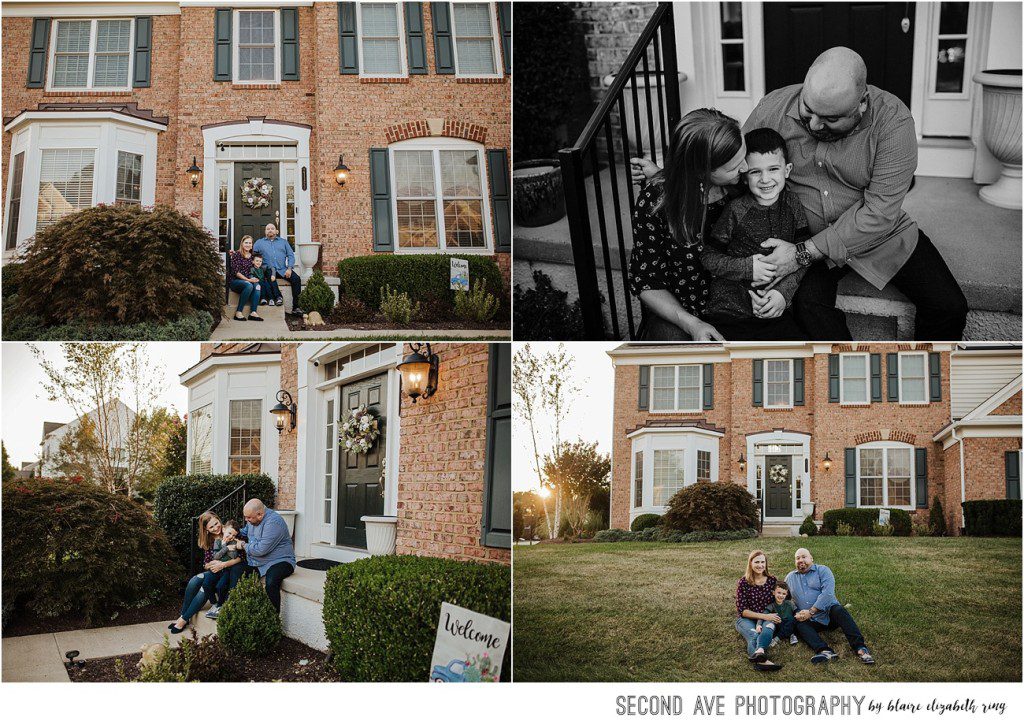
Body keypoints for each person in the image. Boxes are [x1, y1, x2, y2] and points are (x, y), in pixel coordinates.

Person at [627, 108, 749, 341]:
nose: (745, 168)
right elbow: (647, 280)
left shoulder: (740, 187)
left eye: (744, 155)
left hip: (735, 303)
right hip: (680, 310)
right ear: (701, 170)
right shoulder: (656, 201)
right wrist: (692, 324)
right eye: (733, 167)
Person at [701, 127, 809, 339]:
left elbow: (802, 256)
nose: (765, 179)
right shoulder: (736, 210)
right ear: (744, 176)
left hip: (775, 311)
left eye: (773, 169)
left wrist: (783, 293)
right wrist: (748, 268)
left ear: (787, 170)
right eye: (755, 172)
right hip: (729, 313)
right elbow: (708, 257)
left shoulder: (793, 205)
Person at [785, 548, 875, 665]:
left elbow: (828, 594)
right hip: (809, 621)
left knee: (839, 610)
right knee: (798, 624)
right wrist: (797, 612)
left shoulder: (823, 570)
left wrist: (811, 612)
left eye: (804, 556)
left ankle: (860, 648)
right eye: (797, 558)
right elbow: (783, 597)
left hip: (829, 616)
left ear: (811, 558)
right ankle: (825, 651)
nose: (801, 560)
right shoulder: (790, 578)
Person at [168, 512, 244, 633]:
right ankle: (183, 615)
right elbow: (206, 563)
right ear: (206, 530)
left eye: (216, 523)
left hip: (228, 570)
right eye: (211, 527)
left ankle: (183, 620)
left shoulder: (230, 531)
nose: (216, 528)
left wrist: (222, 564)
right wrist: (213, 564)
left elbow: (241, 557)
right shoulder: (209, 541)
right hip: (215, 570)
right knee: (195, 579)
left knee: (204, 587)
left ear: (219, 520)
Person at [230, 499, 296, 612]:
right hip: (257, 563)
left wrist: (242, 545)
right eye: (246, 517)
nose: (246, 520)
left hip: (281, 561)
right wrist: (231, 533)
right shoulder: (253, 519)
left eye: (249, 518)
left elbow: (261, 550)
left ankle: (273, 619)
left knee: (271, 581)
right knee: (236, 570)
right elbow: (244, 532)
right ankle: (233, 610)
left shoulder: (274, 523)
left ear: (260, 514)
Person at [734, 550, 783, 671]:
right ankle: (763, 662)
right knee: (754, 634)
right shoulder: (743, 582)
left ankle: (759, 653)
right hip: (746, 619)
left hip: (768, 616)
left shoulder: (772, 580)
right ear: (750, 563)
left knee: (768, 628)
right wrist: (765, 617)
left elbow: (778, 599)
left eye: (763, 562)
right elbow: (742, 611)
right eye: (757, 562)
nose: (760, 565)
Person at [254, 224, 305, 315]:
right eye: (268, 229)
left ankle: (296, 307)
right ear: (265, 231)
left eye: (272, 228)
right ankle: (277, 298)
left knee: (296, 279)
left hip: (283, 269)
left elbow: (290, 255)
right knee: (270, 274)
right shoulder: (259, 243)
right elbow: (251, 255)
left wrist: (289, 268)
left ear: (276, 231)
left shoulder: (283, 242)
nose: (270, 230)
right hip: (268, 270)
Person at [751, 581, 799, 662]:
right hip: (779, 625)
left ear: (786, 594)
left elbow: (797, 611)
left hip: (789, 623)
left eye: (783, 594)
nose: (781, 595)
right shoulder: (771, 605)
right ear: (773, 593)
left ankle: (778, 638)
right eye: (779, 593)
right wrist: (758, 625)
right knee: (777, 620)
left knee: (792, 619)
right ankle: (789, 634)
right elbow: (763, 615)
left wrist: (798, 614)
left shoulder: (790, 603)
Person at [228, 236, 264, 322]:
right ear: (242, 244)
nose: (248, 245)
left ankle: (253, 312)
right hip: (236, 281)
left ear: (252, 245)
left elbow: (257, 266)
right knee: (249, 285)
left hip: (249, 281)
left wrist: (256, 279)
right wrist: (249, 280)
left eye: (250, 243)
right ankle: (238, 312)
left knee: (257, 286)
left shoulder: (253, 257)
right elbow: (236, 272)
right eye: (246, 242)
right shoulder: (236, 255)